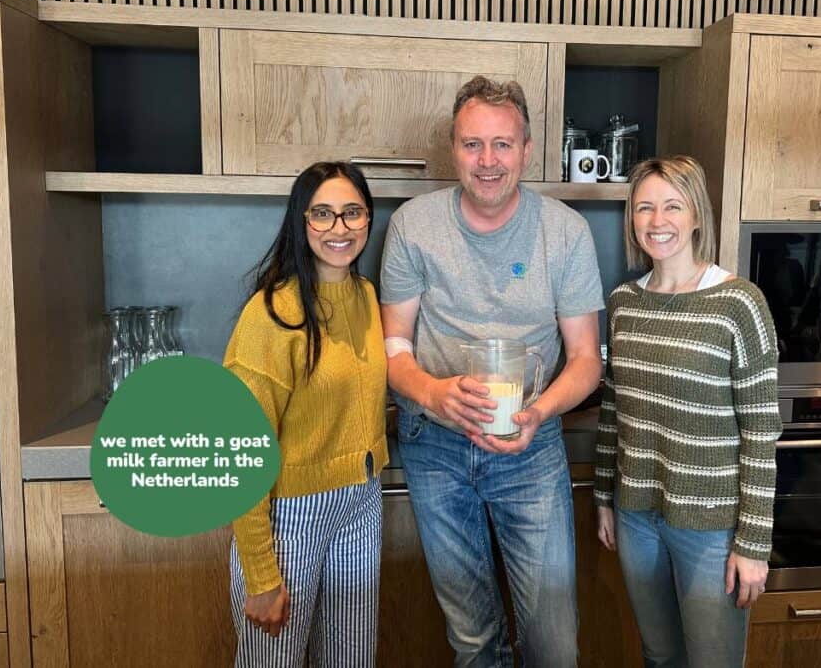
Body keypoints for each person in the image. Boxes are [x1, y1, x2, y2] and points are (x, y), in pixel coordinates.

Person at [379, 75, 604, 666]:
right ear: (452, 149)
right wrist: (433, 392)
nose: (487, 161)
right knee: (473, 639)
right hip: (436, 446)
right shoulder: (413, 225)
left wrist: (537, 413)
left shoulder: (565, 232)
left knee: (554, 644)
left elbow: (586, 359)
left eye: (502, 144)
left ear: (527, 150)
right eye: (471, 144)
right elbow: (392, 346)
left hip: (532, 446)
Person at [594, 155, 782, 667]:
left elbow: (762, 433)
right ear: (632, 218)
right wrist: (604, 497)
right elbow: (614, 409)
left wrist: (753, 542)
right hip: (636, 517)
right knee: (659, 657)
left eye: (672, 206)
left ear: (697, 214)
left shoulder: (739, 304)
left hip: (712, 527)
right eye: (645, 208)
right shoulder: (623, 304)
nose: (658, 222)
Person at [224, 162, 388, 667]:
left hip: (362, 503)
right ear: (301, 220)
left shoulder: (364, 296)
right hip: (289, 518)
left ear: (367, 219)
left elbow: (352, 393)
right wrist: (260, 575)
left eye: (352, 213)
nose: (339, 228)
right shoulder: (272, 312)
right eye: (322, 214)